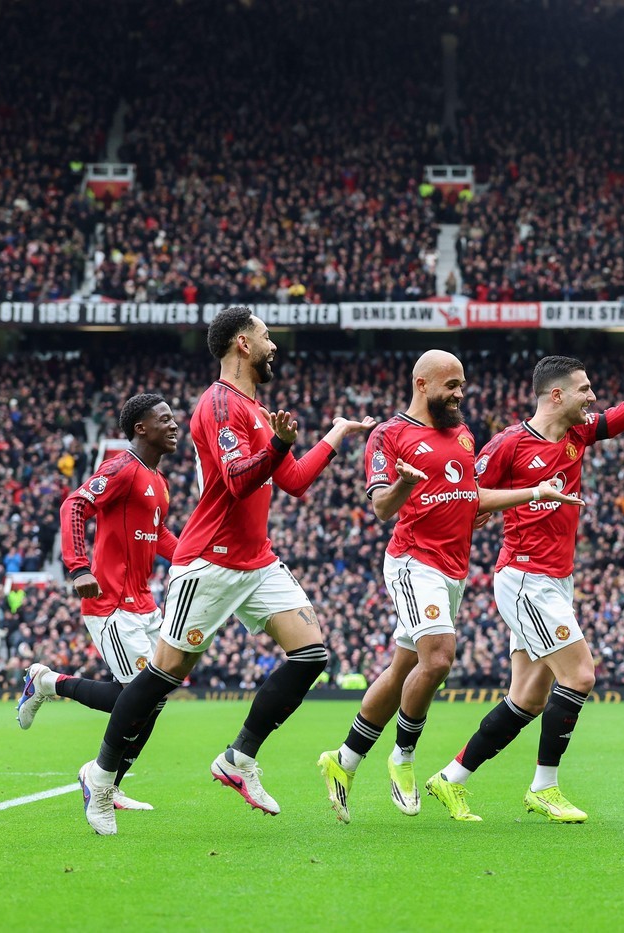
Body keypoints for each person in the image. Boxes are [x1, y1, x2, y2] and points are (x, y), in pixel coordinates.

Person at [78, 306, 376, 835]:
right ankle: (101, 778)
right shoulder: (218, 403)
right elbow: (238, 480)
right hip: (210, 560)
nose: (273, 344)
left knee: (311, 654)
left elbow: (295, 480)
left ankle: (238, 758)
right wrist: (280, 444)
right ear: (242, 343)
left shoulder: (257, 411)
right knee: (164, 676)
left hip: (257, 559)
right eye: (266, 336)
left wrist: (334, 434)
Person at [421, 318, 624, 823]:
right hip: (526, 578)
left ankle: (451, 778)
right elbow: (469, 496)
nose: (592, 398)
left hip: (556, 579)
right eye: (584, 390)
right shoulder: (509, 444)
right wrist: (513, 499)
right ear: (555, 395)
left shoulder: (578, 434)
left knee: (527, 698)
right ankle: (544, 787)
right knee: (580, 674)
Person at [316, 350, 582, 824]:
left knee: (403, 670)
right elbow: (381, 506)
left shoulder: (462, 435)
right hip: (411, 560)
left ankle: (345, 758)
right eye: (451, 385)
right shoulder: (389, 434)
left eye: (462, 384)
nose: (460, 394)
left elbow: (472, 496)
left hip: (452, 569)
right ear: (422, 384)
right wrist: (402, 484)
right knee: (438, 657)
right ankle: (403, 759)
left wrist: (535, 492)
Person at [18, 394, 180, 812]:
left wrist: (194, 559)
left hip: (144, 604)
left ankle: (50, 687)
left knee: (152, 698)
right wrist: (77, 566)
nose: (174, 425)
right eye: (164, 419)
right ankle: (101, 780)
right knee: (141, 696)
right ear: (141, 428)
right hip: (111, 601)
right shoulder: (122, 468)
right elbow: (74, 504)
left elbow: (158, 536)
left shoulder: (158, 482)